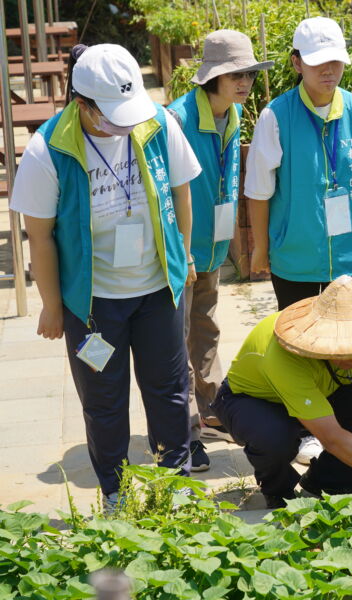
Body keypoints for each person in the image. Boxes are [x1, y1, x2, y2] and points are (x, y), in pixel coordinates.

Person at [11, 44, 202, 507]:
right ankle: (115, 490)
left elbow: (181, 194)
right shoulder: (48, 150)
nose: (125, 123)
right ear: (82, 103)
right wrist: (53, 306)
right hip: (93, 304)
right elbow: (39, 237)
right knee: (104, 400)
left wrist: (185, 255)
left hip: (157, 290)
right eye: (113, 114)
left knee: (170, 391)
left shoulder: (158, 123)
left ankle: (175, 484)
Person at [243, 16, 352, 464]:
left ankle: (347, 431)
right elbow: (259, 189)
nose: (329, 72)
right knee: (298, 345)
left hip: (348, 256)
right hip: (295, 256)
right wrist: (261, 248)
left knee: (350, 346)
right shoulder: (277, 115)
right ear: (296, 63)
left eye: (336, 63)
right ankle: (302, 428)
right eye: (318, 64)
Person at [211, 276, 352, 508]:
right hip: (254, 400)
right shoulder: (285, 353)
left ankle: (329, 481)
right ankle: (278, 491)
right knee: (275, 438)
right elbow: (332, 438)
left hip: (320, 390)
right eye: (343, 349)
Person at [168, 30, 273, 471]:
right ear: (212, 77)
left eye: (249, 72)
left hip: (211, 247)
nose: (245, 80)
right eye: (236, 73)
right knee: (173, 343)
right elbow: (167, 195)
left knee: (207, 328)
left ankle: (210, 410)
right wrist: (183, 253)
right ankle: (183, 432)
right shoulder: (175, 121)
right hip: (182, 254)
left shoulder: (232, 114)